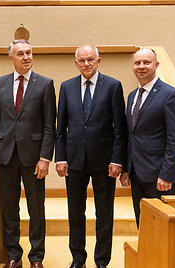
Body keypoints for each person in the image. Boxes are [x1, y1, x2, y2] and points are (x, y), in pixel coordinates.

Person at [55, 45, 128, 268]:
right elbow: (61, 127)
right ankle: (78, 258)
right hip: (74, 160)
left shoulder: (113, 86)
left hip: (105, 162)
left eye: (90, 60)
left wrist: (117, 159)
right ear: (76, 63)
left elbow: (120, 129)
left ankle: (102, 260)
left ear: (99, 61)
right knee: (75, 212)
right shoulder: (66, 87)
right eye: (82, 60)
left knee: (104, 213)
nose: (86, 64)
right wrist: (61, 158)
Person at [0, 39, 56, 268]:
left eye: (29, 53)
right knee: (9, 208)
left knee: (36, 209)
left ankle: (36, 257)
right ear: (11, 58)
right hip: (6, 156)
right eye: (21, 54)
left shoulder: (45, 84)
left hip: (34, 157)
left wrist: (45, 158)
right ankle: (13, 255)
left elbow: (50, 125)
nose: (26, 57)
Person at [120, 48, 175, 228]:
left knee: (161, 229)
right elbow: (130, 135)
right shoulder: (133, 95)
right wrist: (126, 168)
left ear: (156, 65)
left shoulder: (170, 94)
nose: (141, 66)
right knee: (143, 225)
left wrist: (167, 174)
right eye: (137, 63)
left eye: (146, 62)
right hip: (136, 173)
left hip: (159, 176)